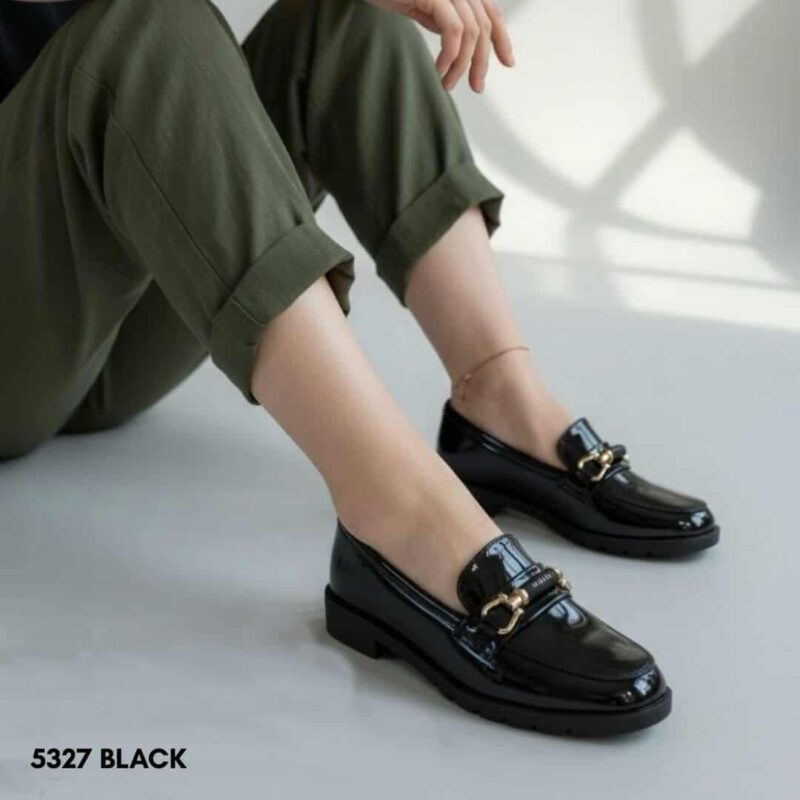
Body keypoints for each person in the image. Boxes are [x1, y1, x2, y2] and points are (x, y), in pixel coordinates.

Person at [0, 0, 719, 735]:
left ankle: (500, 402)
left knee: (345, 19)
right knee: (146, 29)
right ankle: (400, 517)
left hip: (102, 308)